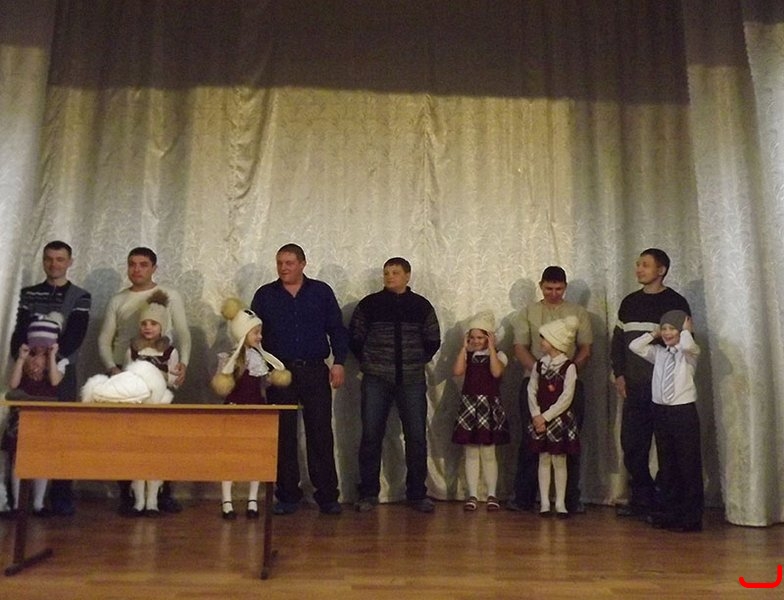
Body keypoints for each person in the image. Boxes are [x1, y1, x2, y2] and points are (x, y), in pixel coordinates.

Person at [250, 244, 348, 516]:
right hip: (279, 372)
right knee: (283, 434)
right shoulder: (265, 295)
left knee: (320, 433)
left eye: (289, 263)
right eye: (280, 263)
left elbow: (336, 329)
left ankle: (327, 496)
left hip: (314, 370)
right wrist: (261, 372)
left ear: (303, 264)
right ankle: (287, 495)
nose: (283, 268)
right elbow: (253, 336)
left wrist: (339, 362)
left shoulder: (321, 292)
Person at [98, 247, 191, 514]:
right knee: (127, 439)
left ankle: (162, 493)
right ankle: (129, 495)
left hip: (160, 377)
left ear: (154, 268)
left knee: (162, 439)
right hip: (126, 375)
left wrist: (183, 364)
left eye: (143, 264)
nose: (137, 269)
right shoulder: (118, 300)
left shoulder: (170, 295)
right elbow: (105, 338)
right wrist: (112, 368)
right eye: (132, 264)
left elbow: (183, 333)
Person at [349, 257, 442, 513]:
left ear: (407, 276)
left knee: (416, 437)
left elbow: (433, 338)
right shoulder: (370, 304)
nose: (390, 277)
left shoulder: (421, 306)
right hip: (375, 379)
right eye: (387, 273)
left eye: (395, 272)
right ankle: (368, 493)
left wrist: (416, 360)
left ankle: (417, 494)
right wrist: (371, 362)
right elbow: (355, 337)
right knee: (371, 436)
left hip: (411, 380)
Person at [9, 240, 91, 516]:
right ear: (43, 261)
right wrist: (23, 358)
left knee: (61, 433)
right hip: (29, 371)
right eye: (49, 259)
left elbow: (75, 335)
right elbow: (20, 330)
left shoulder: (80, 296)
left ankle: (60, 495)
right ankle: (21, 499)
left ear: (69, 262)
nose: (54, 264)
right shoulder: (29, 293)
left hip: (62, 369)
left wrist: (51, 361)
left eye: (60, 259)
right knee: (22, 435)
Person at [610, 248, 691, 519]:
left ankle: (666, 501)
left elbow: (683, 343)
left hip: (665, 389)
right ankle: (642, 499)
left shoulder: (675, 302)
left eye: (645, 265)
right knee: (633, 445)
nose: (639, 269)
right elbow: (618, 342)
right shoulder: (629, 302)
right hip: (635, 387)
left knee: (667, 448)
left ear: (661, 270)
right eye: (638, 264)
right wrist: (619, 374)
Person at [508, 266, 592, 514]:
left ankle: (570, 500)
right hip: (534, 381)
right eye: (548, 288)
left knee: (569, 442)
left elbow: (585, 348)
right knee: (531, 440)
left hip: (569, 383)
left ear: (565, 287)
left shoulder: (578, 312)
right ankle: (524, 497)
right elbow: (520, 347)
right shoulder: (528, 312)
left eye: (558, 289)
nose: (553, 293)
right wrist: (540, 371)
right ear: (541, 286)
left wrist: (567, 371)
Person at [210, 298, 291, 520]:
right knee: (230, 456)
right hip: (234, 411)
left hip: (257, 411)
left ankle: (252, 500)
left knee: (256, 456)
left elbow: (261, 384)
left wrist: (271, 380)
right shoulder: (229, 359)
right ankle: (227, 501)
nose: (260, 337)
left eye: (259, 332)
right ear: (243, 334)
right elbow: (222, 384)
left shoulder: (258, 358)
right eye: (256, 333)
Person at [629, 310, 703, 532]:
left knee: (687, 465)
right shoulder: (659, 353)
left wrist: (687, 332)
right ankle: (670, 512)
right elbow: (635, 346)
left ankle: (690, 517)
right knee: (667, 464)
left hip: (683, 412)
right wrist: (653, 334)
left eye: (673, 328)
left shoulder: (689, 353)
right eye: (665, 328)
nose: (668, 333)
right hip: (661, 412)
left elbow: (688, 346)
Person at [4, 314, 66, 516]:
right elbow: (13, 384)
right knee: (18, 459)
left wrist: (51, 356)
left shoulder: (59, 361)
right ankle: (17, 504)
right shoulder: (23, 359)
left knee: (42, 458)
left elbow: (55, 381)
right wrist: (22, 359)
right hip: (21, 416)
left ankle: (38, 503)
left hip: (45, 417)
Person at [451, 311, 509, 512]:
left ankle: (492, 494)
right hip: (470, 405)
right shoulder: (468, 355)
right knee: (471, 452)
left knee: (489, 452)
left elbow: (496, 372)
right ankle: (473, 494)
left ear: (489, 337)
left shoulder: (499, 355)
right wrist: (463, 349)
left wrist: (491, 348)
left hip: (488, 406)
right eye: (472, 337)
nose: (476, 341)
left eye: (480, 337)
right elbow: (457, 371)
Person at [527, 316, 581, 518]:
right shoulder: (540, 365)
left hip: (559, 419)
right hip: (540, 417)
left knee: (559, 460)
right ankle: (544, 502)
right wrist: (536, 415)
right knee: (543, 458)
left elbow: (567, 397)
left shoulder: (569, 367)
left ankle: (560, 502)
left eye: (544, 338)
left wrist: (546, 416)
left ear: (555, 341)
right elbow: (531, 389)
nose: (541, 342)